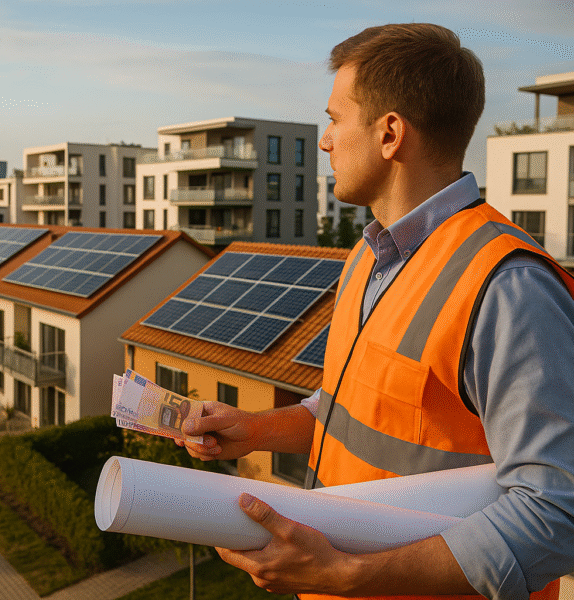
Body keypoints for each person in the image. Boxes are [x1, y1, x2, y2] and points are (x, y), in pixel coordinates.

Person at [176, 23, 574, 600]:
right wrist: (254, 430)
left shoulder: (508, 286)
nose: (326, 140)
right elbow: (354, 416)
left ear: (390, 135)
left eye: (336, 118)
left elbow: (558, 510)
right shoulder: (368, 255)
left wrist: (350, 577)